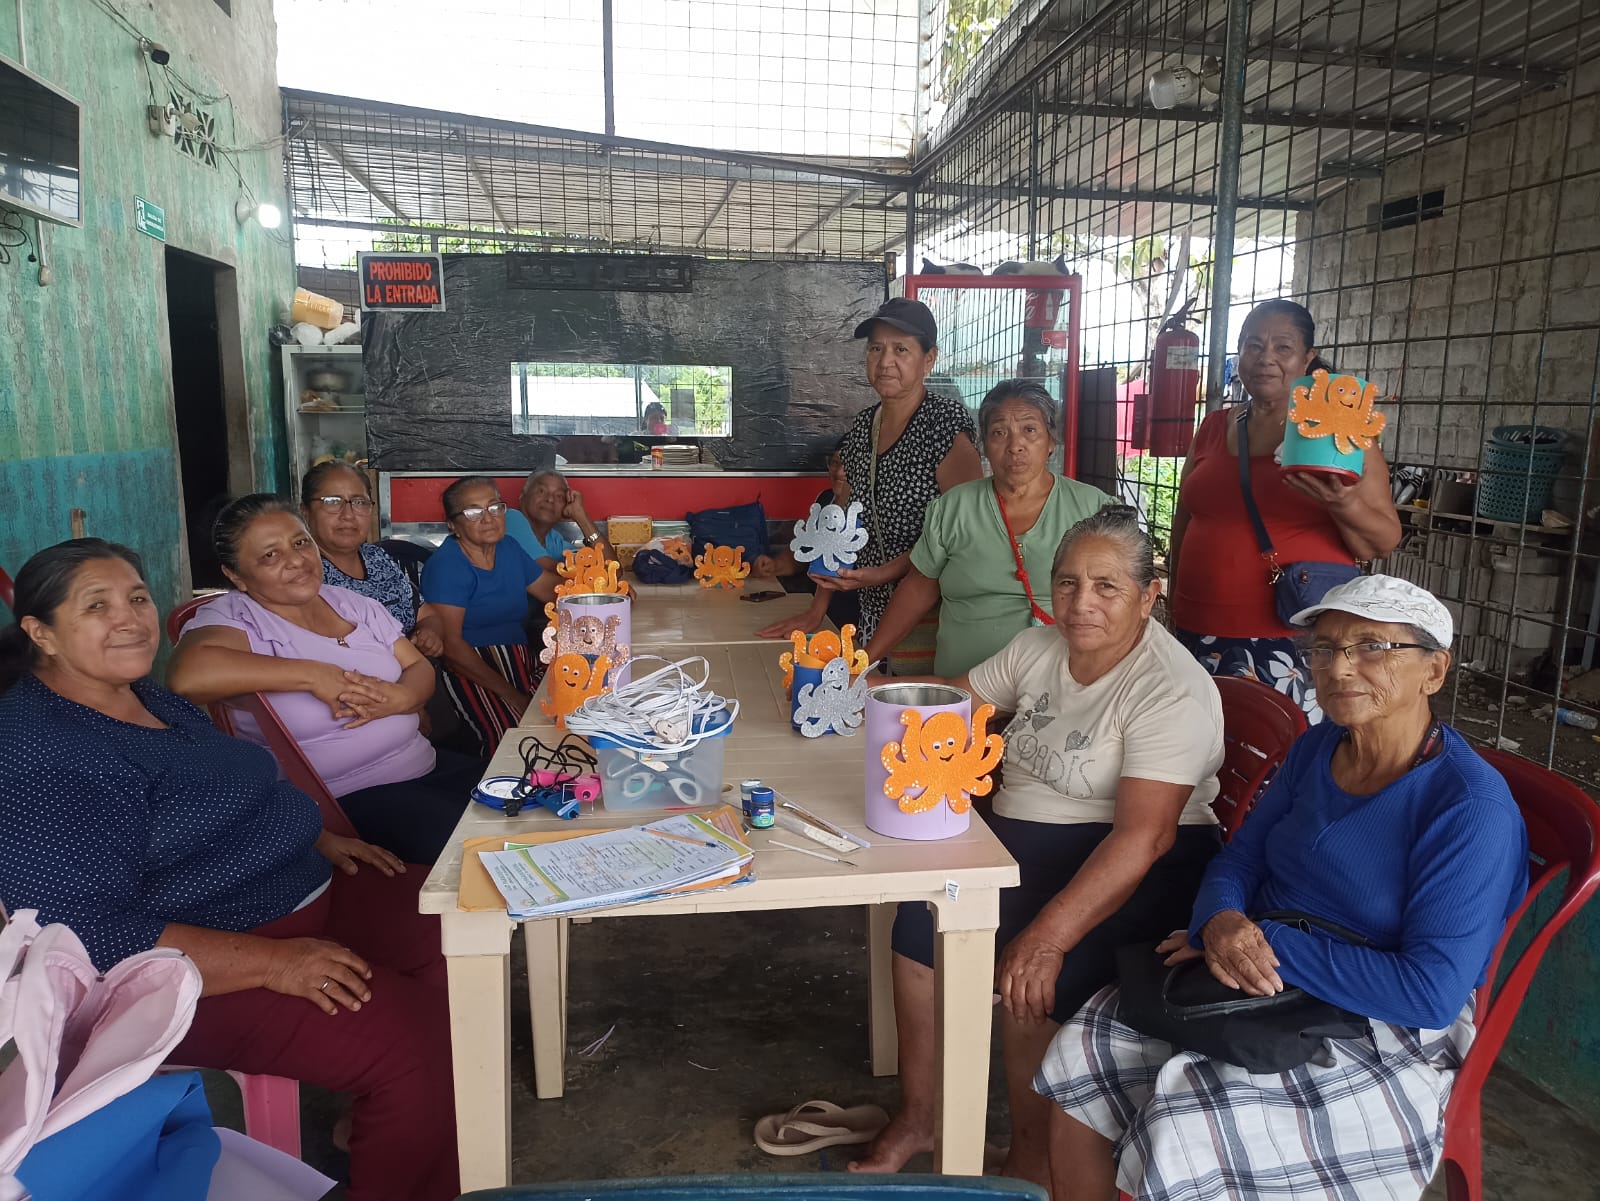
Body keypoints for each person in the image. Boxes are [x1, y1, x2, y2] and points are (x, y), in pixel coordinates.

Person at [1035, 574, 1529, 1201]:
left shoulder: (1468, 808)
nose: (1340, 668)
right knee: (1083, 1044)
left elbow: (1428, 992)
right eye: (1325, 649)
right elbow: (1242, 858)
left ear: (1433, 670)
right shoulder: (1321, 745)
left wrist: (1263, 941)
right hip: (1271, 965)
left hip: (1382, 1015)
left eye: (1372, 647)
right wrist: (1219, 920)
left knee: (1191, 1126)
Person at [0, 539, 459, 1201]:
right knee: (415, 1042)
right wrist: (274, 964)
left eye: (136, 597)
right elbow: (79, 932)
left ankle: (392, 1120)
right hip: (189, 970)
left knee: (461, 928)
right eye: (96, 606)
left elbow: (228, 786)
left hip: (300, 889)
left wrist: (315, 834)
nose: (130, 618)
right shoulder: (43, 753)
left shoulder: (143, 696)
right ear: (40, 632)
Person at [852, 509, 1224, 1187]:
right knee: (918, 924)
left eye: (1107, 586)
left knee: (1029, 976)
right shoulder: (1039, 647)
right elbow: (951, 704)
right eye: (1068, 582)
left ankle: (1032, 1166)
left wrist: (1048, 937)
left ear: (1149, 595)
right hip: (1024, 845)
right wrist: (854, 691)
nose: (1081, 603)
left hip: (1133, 863)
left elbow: (1146, 835)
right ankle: (922, 1116)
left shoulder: (1170, 688)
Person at [167, 494, 481, 865]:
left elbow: (418, 666)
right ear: (236, 576)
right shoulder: (237, 617)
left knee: (533, 798)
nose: (296, 561)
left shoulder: (353, 604)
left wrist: (404, 699)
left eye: (301, 543)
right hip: (344, 800)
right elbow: (187, 676)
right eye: (270, 555)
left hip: (423, 766)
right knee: (484, 846)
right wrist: (313, 674)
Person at [1169, 299, 1402, 721]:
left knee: (1277, 752)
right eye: (1254, 345)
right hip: (1195, 629)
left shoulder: (1336, 433)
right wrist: (1172, 595)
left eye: (1283, 347)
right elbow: (1185, 516)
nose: (1266, 358)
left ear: (1308, 358)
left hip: (1289, 637)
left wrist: (1342, 502)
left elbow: (1382, 541)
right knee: (1199, 753)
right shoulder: (1214, 427)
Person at [863, 379, 1112, 676]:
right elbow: (918, 588)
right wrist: (862, 662)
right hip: (962, 689)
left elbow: (1121, 597)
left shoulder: (1094, 509)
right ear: (984, 446)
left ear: (1050, 441)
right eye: (999, 433)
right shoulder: (953, 508)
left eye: (1029, 430)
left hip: (1060, 689)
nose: (1015, 446)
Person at [823, 297, 983, 673]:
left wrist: (885, 571)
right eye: (875, 349)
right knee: (866, 696)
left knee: (910, 706)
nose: (885, 362)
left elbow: (962, 531)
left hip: (931, 619)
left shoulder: (943, 424)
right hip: (871, 611)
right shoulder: (863, 426)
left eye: (901, 350)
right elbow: (844, 516)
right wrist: (816, 610)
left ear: (929, 359)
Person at [421, 475, 558, 755]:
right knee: (520, 743)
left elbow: (551, 591)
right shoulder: (448, 565)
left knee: (566, 715)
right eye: (473, 512)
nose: (488, 518)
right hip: (473, 671)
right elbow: (451, 647)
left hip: (520, 660)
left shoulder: (509, 548)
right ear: (452, 524)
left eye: (495, 507)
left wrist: (603, 593)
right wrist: (512, 696)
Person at [300, 461, 446, 657]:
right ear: (305, 511)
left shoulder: (375, 557)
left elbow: (427, 614)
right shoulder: (301, 573)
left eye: (359, 502)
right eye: (332, 501)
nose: (348, 515)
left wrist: (429, 634)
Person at [756, 437, 861, 638]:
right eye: (836, 463)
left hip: (852, 618)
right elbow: (803, 552)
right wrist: (774, 565)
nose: (840, 472)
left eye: (849, 464)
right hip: (815, 612)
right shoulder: (824, 499)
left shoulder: (868, 510)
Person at [506, 468, 615, 570]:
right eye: (541, 491)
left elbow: (612, 568)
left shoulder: (554, 540)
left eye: (559, 496)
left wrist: (581, 516)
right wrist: (591, 575)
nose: (550, 499)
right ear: (522, 496)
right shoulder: (511, 518)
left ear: (565, 506)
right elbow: (544, 568)